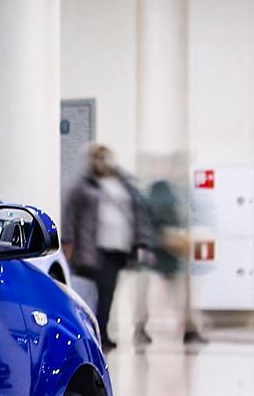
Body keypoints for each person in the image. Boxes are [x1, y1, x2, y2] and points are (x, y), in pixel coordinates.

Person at [62, 142, 153, 348]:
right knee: (94, 294)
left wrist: (141, 242)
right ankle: (93, 333)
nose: (102, 162)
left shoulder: (123, 182)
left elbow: (137, 212)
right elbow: (70, 215)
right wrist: (68, 241)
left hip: (117, 248)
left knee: (107, 293)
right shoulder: (82, 186)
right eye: (97, 158)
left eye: (105, 157)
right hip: (93, 249)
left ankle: (101, 331)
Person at [134, 174, 207, 348]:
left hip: (160, 256)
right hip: (166, 255)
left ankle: (143, 328)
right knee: (176, 297)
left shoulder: (153, 199)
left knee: (152, 296)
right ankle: (188, 329)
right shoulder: (169, 199)